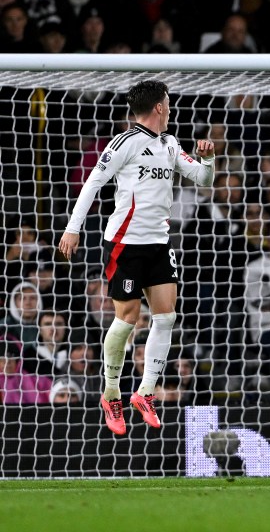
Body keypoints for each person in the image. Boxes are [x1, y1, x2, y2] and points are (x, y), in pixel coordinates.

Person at [58, 80, 214, 435]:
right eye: (169, 103)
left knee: (167, 317)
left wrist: (209, 157)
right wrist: (72, 228)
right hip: (125, 244)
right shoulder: (124, 143)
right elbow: (92, 185)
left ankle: (145, 393)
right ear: (159, 106)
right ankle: (111, 393)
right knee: (127, 319)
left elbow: (204, 179)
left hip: (158, 243)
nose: (171, 108)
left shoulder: (170, 144)